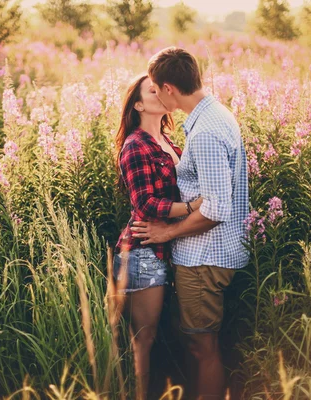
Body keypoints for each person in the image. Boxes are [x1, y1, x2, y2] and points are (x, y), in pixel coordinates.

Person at [131, 47, 250, 400]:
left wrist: (166, 231)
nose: (154, 93)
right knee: (200, 343)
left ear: (169, 88)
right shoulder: (214, 115)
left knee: (202, 347)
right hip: (208, 253)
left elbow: (214, 209)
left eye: (156, 87)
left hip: (203, 257)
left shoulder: (206, 132)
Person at [113, 74, 203, 400]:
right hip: (142, 254)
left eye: (162, 88)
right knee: (143, 342)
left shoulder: (168, 140)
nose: (161, 92)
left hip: (164, 249)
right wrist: (195, 207)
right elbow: (146, 203)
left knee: (165, 337)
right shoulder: (135, 145)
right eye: (152, 91)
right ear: (138, 104)